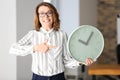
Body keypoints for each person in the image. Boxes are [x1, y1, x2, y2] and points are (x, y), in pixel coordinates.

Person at [9, 2, 94, 80]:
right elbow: (13, 49)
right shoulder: (32, 34)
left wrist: (80, 61)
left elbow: (66, 61)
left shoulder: (62, 35)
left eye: (49, 13)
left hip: (59, 77)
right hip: (38, 78)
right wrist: (35, 48)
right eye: (42, 13)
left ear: (54, 15)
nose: (45, 16)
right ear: (38, 17)